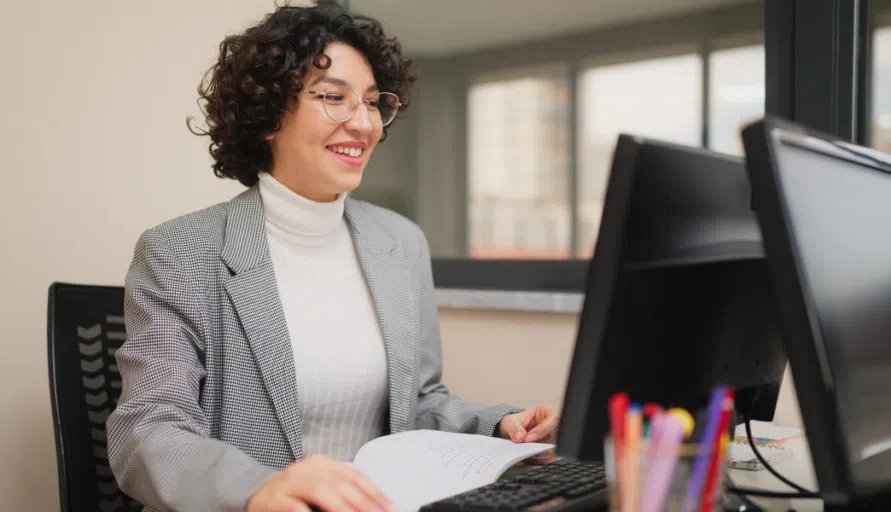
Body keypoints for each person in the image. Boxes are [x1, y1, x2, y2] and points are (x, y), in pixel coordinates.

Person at [106, 1, 560, 511]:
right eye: (333, 98)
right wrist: (255, 488)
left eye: (371, 102)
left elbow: (420, 402)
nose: (364, 124)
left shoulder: (400, 241)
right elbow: (146, 433)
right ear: (267, 114)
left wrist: (498, 424)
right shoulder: (178, 253)